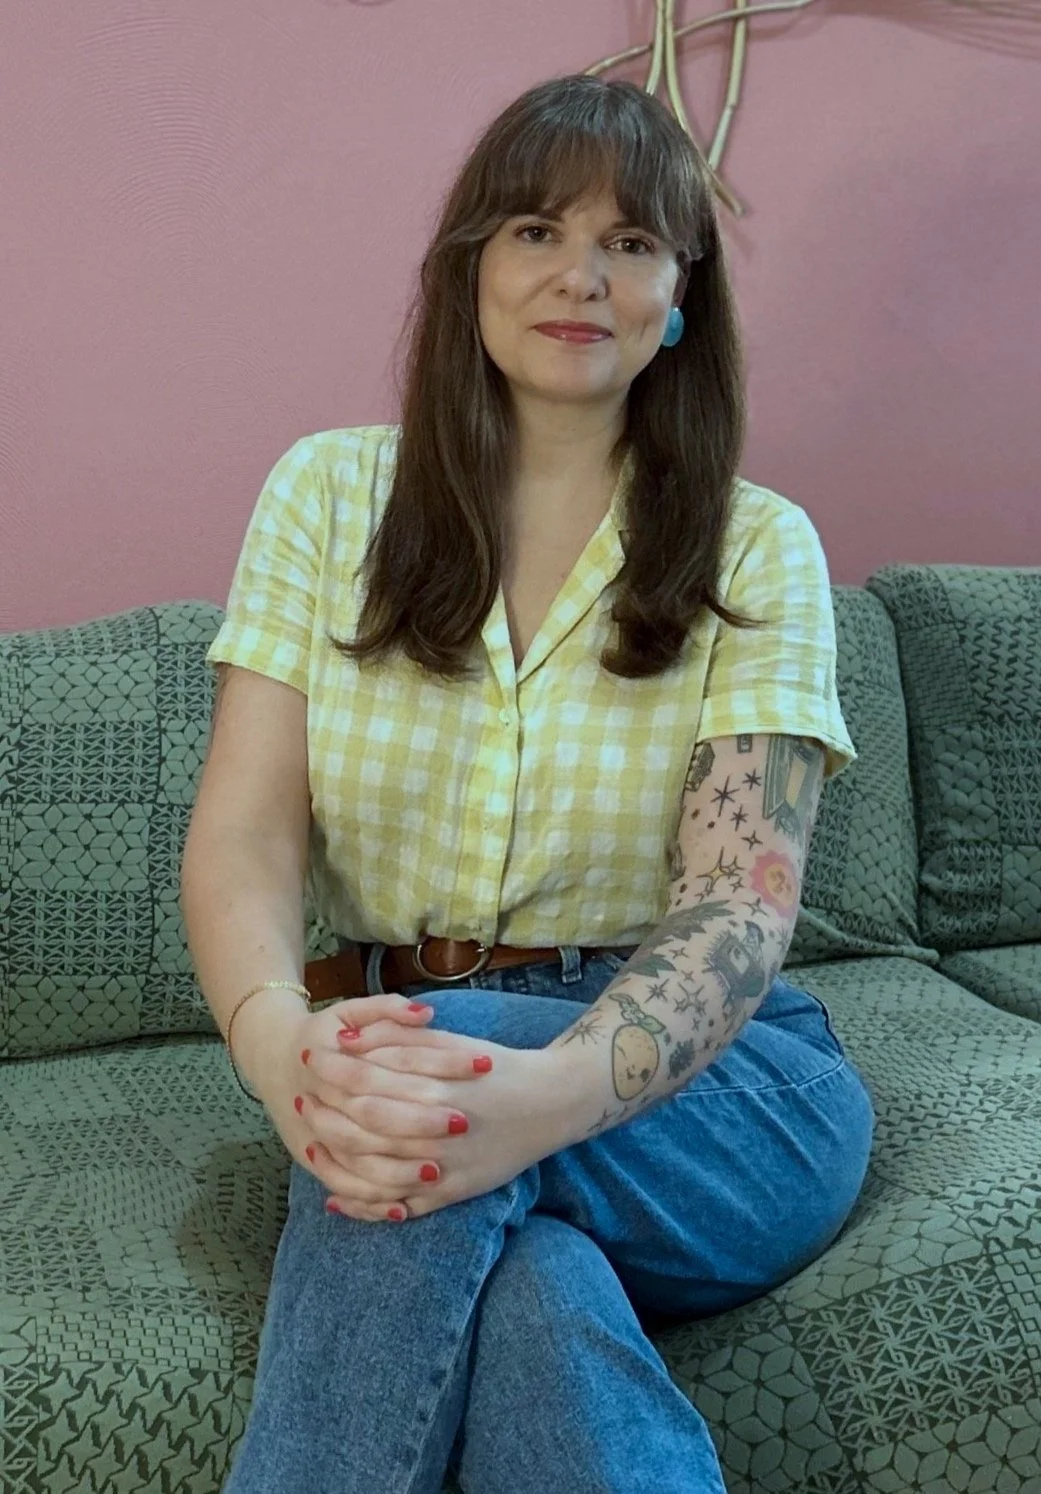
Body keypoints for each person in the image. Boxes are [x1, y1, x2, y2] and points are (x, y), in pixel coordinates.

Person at [180, 72, 874, 1494]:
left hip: (719, 1097)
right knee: (537, 1290)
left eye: (630, 243)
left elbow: (737, 912)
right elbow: (245, 831)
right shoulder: (326, 499)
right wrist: (275, 1046)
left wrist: (540, 1089)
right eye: (536, 230)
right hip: (391, 1061)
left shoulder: (759, 547)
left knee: (413, 1073)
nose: (581, 274)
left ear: (680, 293)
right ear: (471, 268)